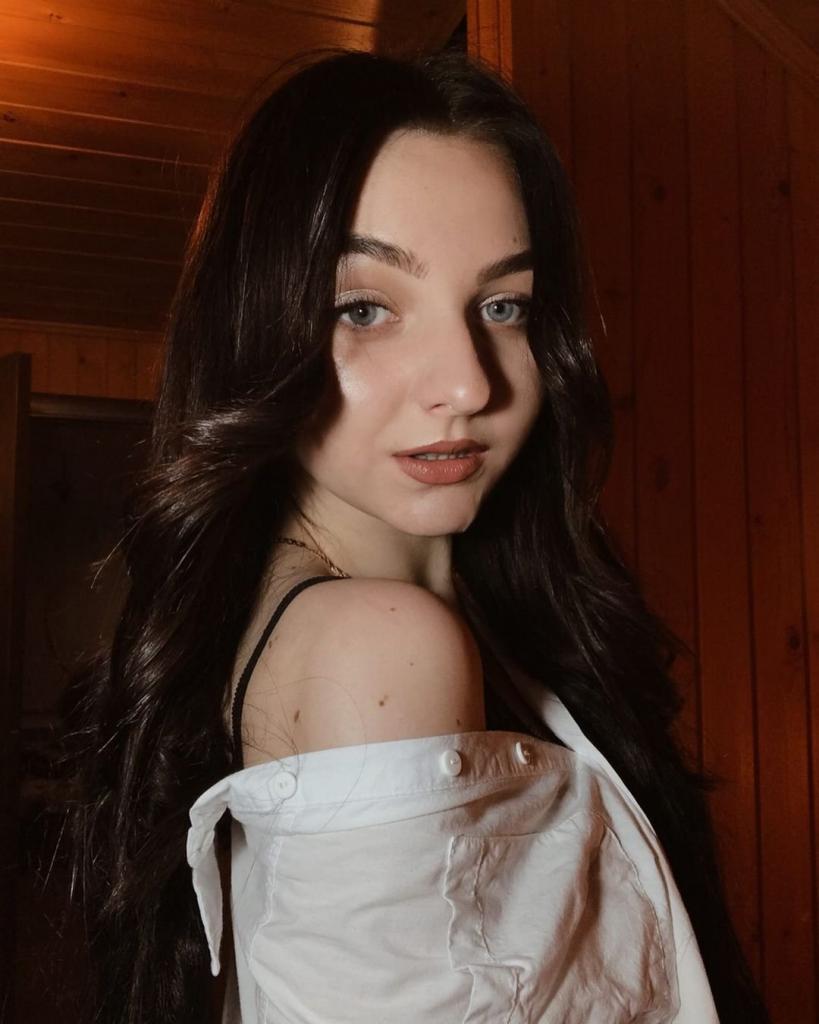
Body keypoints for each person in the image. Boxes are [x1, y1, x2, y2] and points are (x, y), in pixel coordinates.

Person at [63, 46, 770, 1024]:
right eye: (365, 308)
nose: (468, 382)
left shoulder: (430, 606)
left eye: (502, 305)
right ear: (258, 325)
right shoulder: (376, 648)